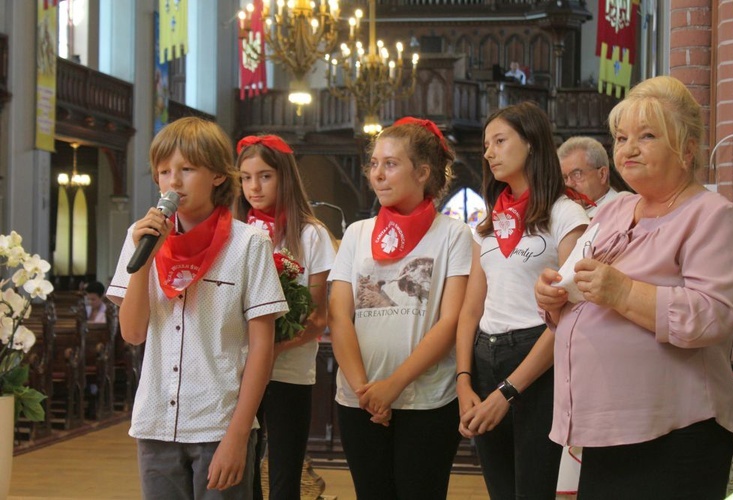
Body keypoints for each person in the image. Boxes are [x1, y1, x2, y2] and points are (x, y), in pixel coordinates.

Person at [535, 75, 733, 499]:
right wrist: (553, 297)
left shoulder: (712, 216)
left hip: (678, 431)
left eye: (647, 136)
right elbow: (578, 289)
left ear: (687, 148)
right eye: (621, 137)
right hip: (608, 429)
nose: (628, 149)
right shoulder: (614, 212)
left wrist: (622, 292)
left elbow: (714, 317)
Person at [106, 117, 288, 499]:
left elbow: (261, 348)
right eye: (164, 171)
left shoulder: (248, 244)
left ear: (219, 175)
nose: (173, 182)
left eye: (187, 169)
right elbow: (133, 333)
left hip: (218, 424)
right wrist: (145, 262)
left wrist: (238, 435)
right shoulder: (141, 238)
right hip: (156, 422)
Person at [328, 117, 472, 500]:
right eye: (374, 163)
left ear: (423, 172)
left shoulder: (453, 234)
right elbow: (339, 316)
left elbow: (451, 320)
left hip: (426, 399)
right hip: (359, 399)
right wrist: (365, 391)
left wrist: (393, 386)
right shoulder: (357, 233)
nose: (378, 174)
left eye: (391, 164)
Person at [455, 102, 589, 499]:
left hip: (536, 356)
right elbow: (470, 309)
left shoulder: (565, 214)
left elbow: (568, 314)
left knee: (533, 490)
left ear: (530, 143)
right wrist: (464, 381)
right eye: (485, 145)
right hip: (484, 356)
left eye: (499, 141)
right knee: (500, 491)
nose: (489, 152)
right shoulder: (489, 224)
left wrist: (509, 391)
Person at [234, 135, 336, 500]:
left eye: (264, 176)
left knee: (283, 477)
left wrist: (272, 350)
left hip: (288, 370)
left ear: (285, 177)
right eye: (245, 178)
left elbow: (318, 317)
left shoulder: (311, 234)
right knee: (242, 476)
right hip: (238, 371)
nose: (253, 187)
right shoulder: (235, 234)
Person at [558, 136, 630, 217]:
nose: (569, 184)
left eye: (576, 174)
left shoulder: (623, 206)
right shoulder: (562, 211)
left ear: (602, 174)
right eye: (564, 178)